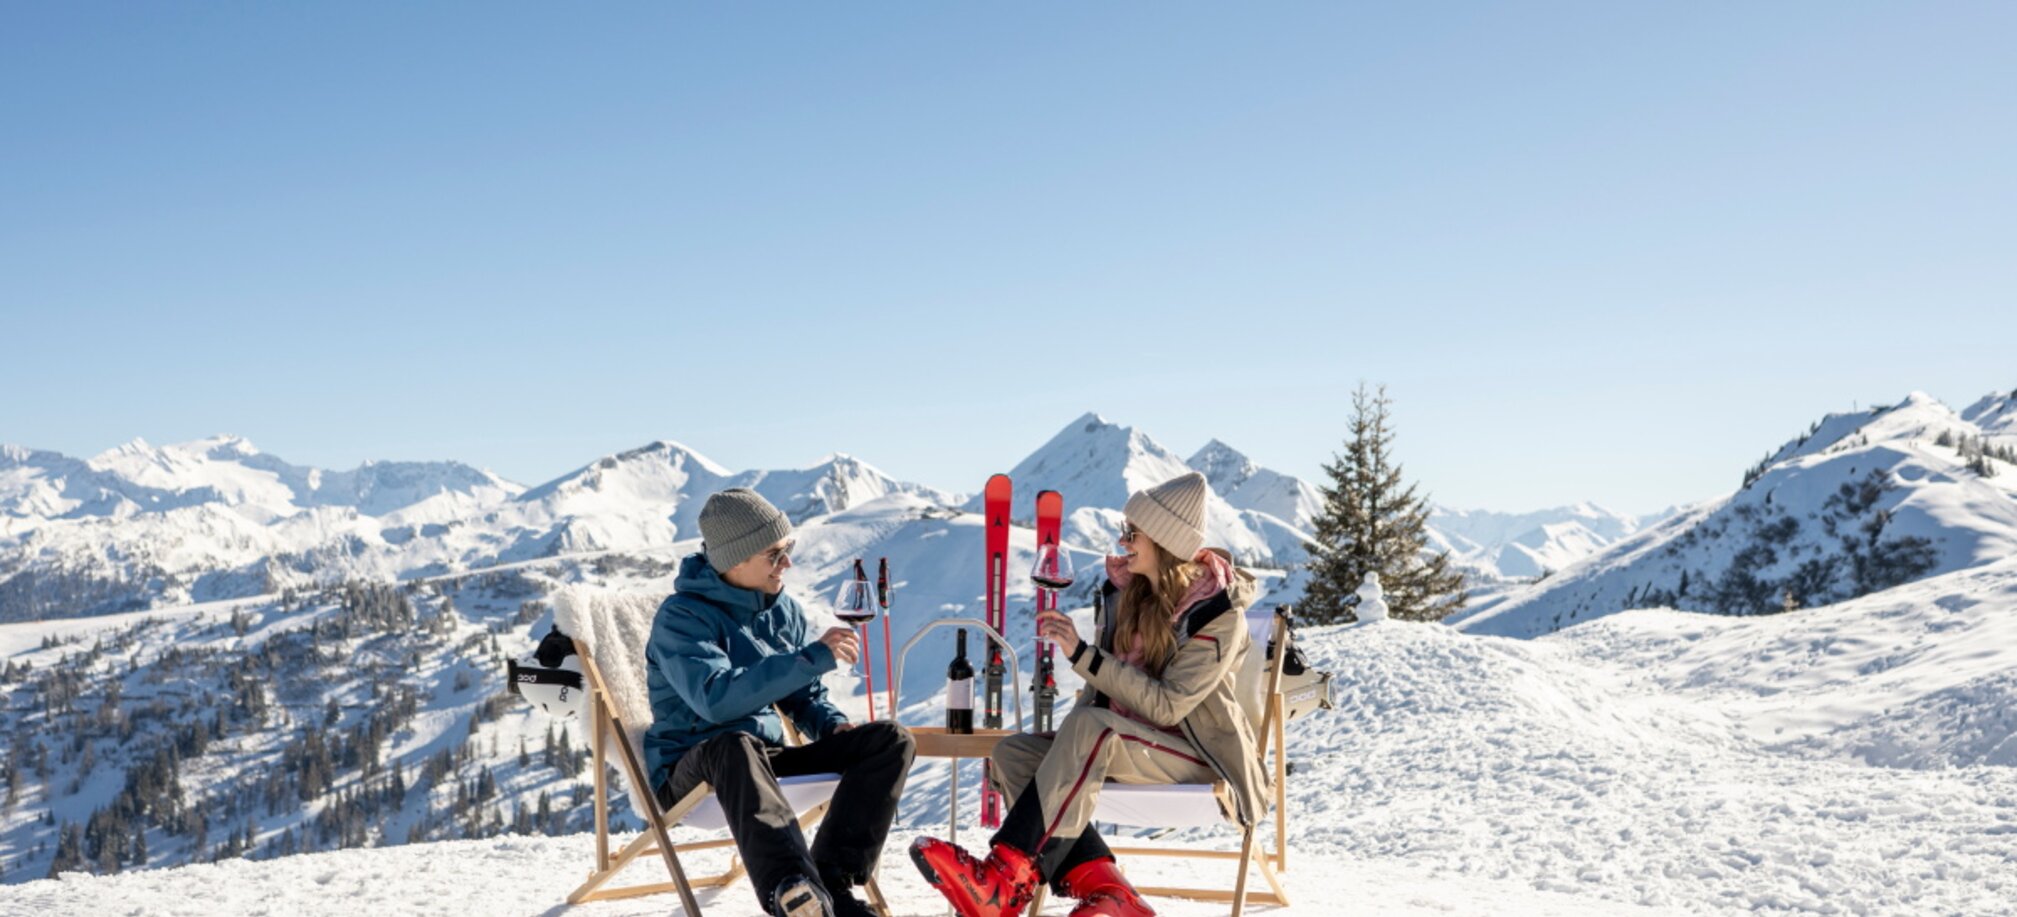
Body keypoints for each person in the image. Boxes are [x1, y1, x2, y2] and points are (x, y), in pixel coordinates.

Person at [910, 472, 1265, 917]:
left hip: (1197, 760)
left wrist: (1083, 654)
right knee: (1012, 754)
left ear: (1164, 540)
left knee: (1091, 727)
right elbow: (1103, 696)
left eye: (1133, 533)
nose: (1124, 541)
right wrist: (1069, 740)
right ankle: (1111, 892)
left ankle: (1004, 880)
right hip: (1125, 743)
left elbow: (1167, 705)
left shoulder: (1219, 617)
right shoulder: (1126, 598)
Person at [645, 487, 915, 917]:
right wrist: (811, 658)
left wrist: (830, 725)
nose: (786, 563)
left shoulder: (781, 610)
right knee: (735, 742)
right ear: (736, 559)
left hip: (762, 761)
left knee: (889, 739)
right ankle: (791, 890)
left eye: (787, 549)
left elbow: (801, 693)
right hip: (694, 770)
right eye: (774, 554)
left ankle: (831, 883)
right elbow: (716, 699)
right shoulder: (682, 618)